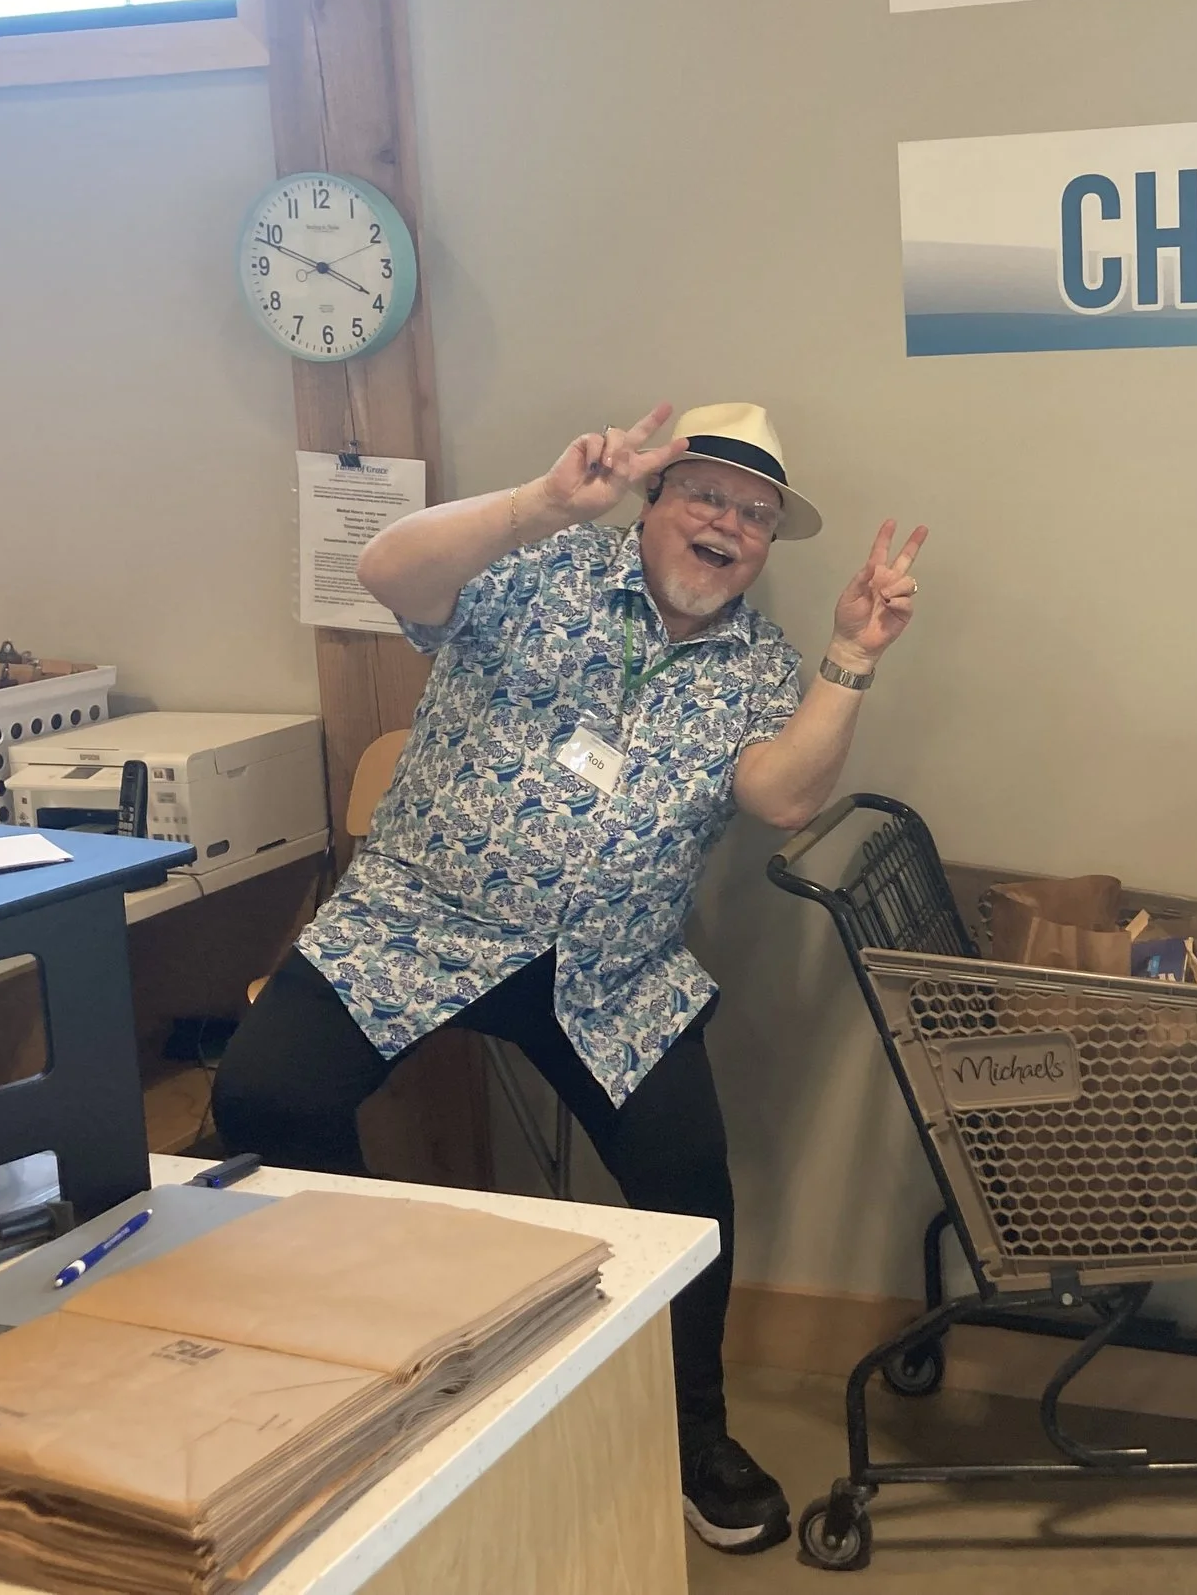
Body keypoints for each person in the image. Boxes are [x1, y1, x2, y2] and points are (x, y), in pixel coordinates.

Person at [211, 401, 926, 1557]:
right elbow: (385, 569)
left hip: (611, 969)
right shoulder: (536, 567)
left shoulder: (757, 662)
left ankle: (695, 1438)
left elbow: (784, 798)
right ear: (653, 500)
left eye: (755, 516)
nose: (730, 527)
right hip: (419, 924)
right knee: (262, 1099)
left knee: (693, 1187)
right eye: (707, 496)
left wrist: (855, 654)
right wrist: (539, 502)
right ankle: (361, 1359)